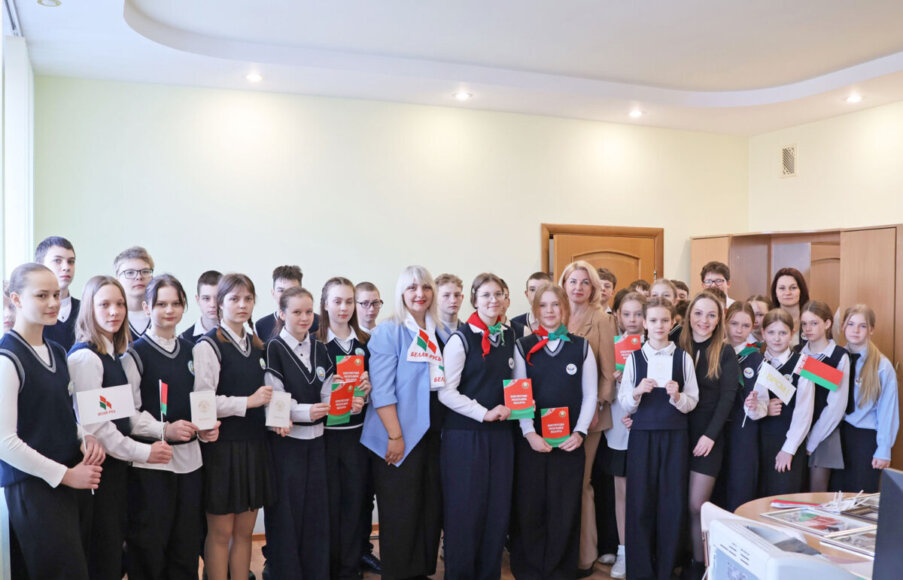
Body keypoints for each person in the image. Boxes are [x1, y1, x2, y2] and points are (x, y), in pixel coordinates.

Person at [0, 263, 104, 580]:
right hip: (34, 486)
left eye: (56, 295)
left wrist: (84, 437)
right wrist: (66, 476)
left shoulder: (57, 351)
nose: (53, 303)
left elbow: (61, 414)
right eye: (42, 295)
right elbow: (5, 442)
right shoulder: (7, 359)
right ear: (16, 299)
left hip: (68, 481)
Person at [69, 275, 173, 580]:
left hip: (115, 472)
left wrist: (164, 430)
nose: (114, 311)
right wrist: (145, 452)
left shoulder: (112, 355)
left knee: (113, 553)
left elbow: (125, 416)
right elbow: (98, 429)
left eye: (119, 304)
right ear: (89, 308)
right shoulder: (86, 358)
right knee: (102, 557)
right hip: (98, 474)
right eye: (104, 304)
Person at [122, 274, 219, 579]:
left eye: (175, 303)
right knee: (149, 545)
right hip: (152, 464)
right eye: (161, 304)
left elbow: (202, 401)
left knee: (186, 545)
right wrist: (165, 430)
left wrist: (207, 428)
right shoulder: (135, 354)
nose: (169, 310)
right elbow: (128, 414)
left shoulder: (193, 350)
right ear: (146, 307)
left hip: (190, 463)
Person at [360, 265, 445, 579]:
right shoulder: (389, 331)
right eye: (412, 288)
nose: (420, 294)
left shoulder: (439, 331)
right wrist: (395, 436)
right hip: (398, 432)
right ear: (401, 293)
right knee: (401, 511)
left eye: (425, 287)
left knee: (428, 507)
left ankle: (420, 571)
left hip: (433, 431)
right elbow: (382, 391)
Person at [509, 283, 598, 579]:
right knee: (531, 504)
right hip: (532, 442)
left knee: (565, 505)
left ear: (565, 308)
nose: (550, 311)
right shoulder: (523, 346)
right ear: (535, 310)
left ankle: (561, 568)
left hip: (569, 442)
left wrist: (580, 432)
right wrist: (529, 433)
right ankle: (531, 567)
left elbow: (590, 395)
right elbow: (519, 394)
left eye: (556, 305)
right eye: (543, 305)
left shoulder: (581, 347)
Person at [193, 273, 275, 580]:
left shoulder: (257, 345)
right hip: (222, 450)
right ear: (220, 304)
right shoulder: (208, 345)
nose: (242, 305)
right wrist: (248, 402)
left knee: (244, 532)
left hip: (254, 446)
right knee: (220, 533)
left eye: (248, 299)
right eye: (234, 298)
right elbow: (203, 402)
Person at [438, 273, 515, 580]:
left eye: (498, 294)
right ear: (474, 301)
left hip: (502, 437)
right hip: (465, 438)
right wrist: (484, 413)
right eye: (485, 295)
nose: (493, 300)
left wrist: (519, 404)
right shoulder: (461, 339)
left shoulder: (509, 336)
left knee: (496, 512)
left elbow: (515, 384)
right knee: (465, 512)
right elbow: (446, 392)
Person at [618, 296, 698, 580]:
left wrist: (678, 397)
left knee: (671, 502)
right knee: (640, 502)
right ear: (644, 323)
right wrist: (637, 392)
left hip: (675, 436)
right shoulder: (635, 358)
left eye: (665, 320)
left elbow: (693, 401)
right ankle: (640, 571)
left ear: (673, 322)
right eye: (653, 320)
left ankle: (666, 570)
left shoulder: (683, 358)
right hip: (642, 436)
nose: (659, 325)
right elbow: (624, 403)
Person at [263, 286, 340, 579]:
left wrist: (345, 401)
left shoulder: (320, 348)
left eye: (309, 311)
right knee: (286, 516)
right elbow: (275, 399)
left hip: (317, 442)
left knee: (316, 514)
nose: (305, 317)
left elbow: (329, 390)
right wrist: (308, 411)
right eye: (296, 312)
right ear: (282, 314)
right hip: (287, 444)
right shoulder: (273, 348)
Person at [559, 260, 616, 577]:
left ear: (593, 288)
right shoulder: (554, 313)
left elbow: (608, 374)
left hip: (589, 416)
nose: (578, 287)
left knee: (581, 484)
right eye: (573, 281)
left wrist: (596, 407)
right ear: (563, 284)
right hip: (554, 415)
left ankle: (584, 557)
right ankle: (560, 552)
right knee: (560, 485)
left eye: (585, 282)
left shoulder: (601, 320)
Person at [316, 277, 374, 579]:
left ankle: (350, 569)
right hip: (324, 437)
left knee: (354, 505)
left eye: (349, 301)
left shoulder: (365, 341)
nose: (343, 307)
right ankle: (326, 568)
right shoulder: (314, 342)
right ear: (325, 304)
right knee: (327, 506)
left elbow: (377, 390)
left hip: (357, 436)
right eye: (337, 301)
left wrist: (367, 391)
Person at [680, 290, 739, 579]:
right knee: (677, 502)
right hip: (677, 435)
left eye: (711, 315)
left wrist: (710, 436)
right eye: (699, 313)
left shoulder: (725, 352)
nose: (704, 320)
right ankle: (680, 560)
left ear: (719, 320)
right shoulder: (677, 344)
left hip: (708, 437)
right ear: (689, 315)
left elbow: (727, 399)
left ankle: (701, 565)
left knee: (697, 505)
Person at [603, 290, 646, 578]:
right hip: (619, 429)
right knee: (622, 491)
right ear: (617, 315)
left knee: (647, 491)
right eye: (626, 314)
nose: (632, 320)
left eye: (638, 314)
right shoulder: (612, 347)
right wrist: (615, 380)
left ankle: (645, 550)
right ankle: (623, 551)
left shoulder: (656, 348)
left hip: (649, 429)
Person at [748, 309, 814, 496]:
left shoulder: (804, 363)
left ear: (792, 334)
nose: (776, 338)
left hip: (788, 441)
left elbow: (804, 413)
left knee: (782, 497)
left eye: (783, 333)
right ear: (763, 333)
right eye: (771, 332)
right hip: (757, 441)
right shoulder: (755, 360)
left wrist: (788, 449)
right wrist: (761, 409)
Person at [835, 305, 899, 493]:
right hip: (836, 435)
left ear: (871, 329)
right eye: (851, 324)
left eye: (862, 326)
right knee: (834, 493)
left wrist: (884, 449)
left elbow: (888, 410)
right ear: (843, 326)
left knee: (861, 495)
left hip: (865, 438)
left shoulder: (882, 366)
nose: (855, 330)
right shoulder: (836, 359)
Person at [717, 302, 764, 511]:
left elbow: (762, 398)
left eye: (745, 325)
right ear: (725, 322)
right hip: (716, 426)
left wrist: (759, 406)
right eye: (734, 323)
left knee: (740, 485)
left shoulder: (755, 357)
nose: (739, 330)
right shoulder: (715, 351)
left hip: (743, 428)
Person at [799, 301, 850, 492]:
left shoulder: (839, 355)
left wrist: (812, 440)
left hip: (824, 432)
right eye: (804, 324)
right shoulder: (797, 352)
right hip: (798, 430)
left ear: (827, 323)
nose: (808, 328)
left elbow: (836, 406)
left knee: (817, 494)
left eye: (814, 323)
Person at [36, 236, 80, 350]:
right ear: (40, 265)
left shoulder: (85, 309)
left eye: (71, 262)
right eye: (57, 261)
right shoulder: (33, 312)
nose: (66, 267)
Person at [255, 265, 318, 340]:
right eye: (281, 291)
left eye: (292, 290)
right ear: (273, 293)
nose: (286, 295)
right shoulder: (261, 326)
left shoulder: (318, 323)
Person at [114, 245, 156, 339]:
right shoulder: (111, 317)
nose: (139, 277)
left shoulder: (161, 314)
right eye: (130, 272)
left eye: (145, 271)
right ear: (117, 281)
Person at [769, 268, 810, 348]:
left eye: (793, 288)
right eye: (782, 288)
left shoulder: (811, 320)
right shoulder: (768, 320)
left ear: (801, 290)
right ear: (775, 292)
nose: (787, 292)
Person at [180, 270, 222, 343]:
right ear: (198, 300)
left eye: (218, 298)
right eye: (206, 298)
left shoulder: (237, 334)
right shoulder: (184, 340)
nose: (213, 304)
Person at [509, 271, 552, 338]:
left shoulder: (561, 322)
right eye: (532, 290)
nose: (537, 294)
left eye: (542, 289)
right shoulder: (514, 324)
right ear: (527, 294)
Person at [435, 273, 465, 343]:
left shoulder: (468, 332)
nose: (453, 300)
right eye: (446, 295)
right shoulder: (428, 332)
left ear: (462, 298)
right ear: (435, 299)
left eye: (457, 295)